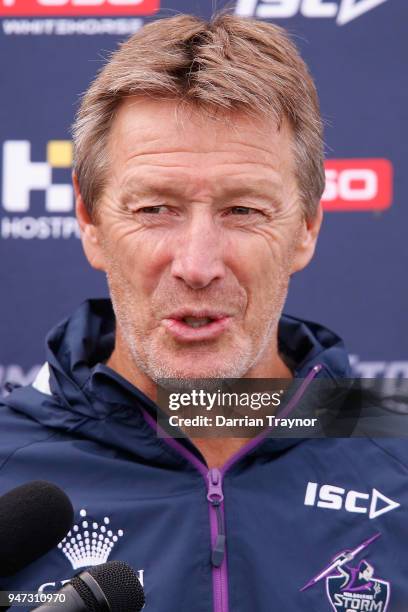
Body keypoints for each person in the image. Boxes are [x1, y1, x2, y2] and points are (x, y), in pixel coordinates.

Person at [0, 13, 406, 612]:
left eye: (243, 210)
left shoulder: (393, 451)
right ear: (89, 223)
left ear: (307, 227)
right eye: (156, 208)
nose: (197, 264)